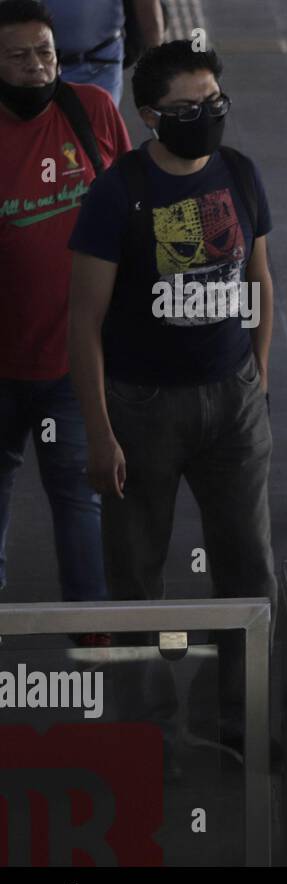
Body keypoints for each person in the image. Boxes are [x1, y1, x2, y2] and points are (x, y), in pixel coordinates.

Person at [67, 39, 275, 608]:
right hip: (142, 407)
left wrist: (259, 369)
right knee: (135, 571)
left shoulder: (239, 172)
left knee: (249, 567)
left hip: (232, 398)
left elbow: (257, 279)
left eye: (213, 102)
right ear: (149, 118)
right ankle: (148, 700)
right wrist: (101, 432)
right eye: (186, 110)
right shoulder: (116, 192)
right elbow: (84, 320)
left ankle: (243, 695)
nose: (205, 118)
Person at [0, 0, 129, 606]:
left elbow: (132, 207)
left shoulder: (93, 109)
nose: (36, 68)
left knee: (81, 497)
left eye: (45, 53)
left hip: (73, 362)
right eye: (19, 56)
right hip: (4, 361)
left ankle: (92, 630)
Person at [45, 0, 163, 103]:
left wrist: (158, 65)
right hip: (41, 66)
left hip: (100, 66)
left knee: (98, 125)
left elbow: (147, 7)